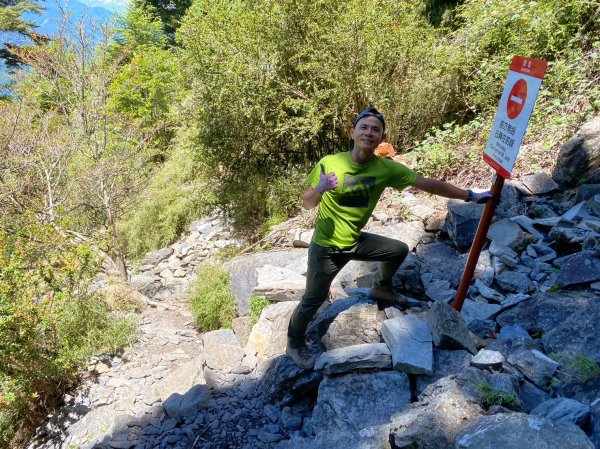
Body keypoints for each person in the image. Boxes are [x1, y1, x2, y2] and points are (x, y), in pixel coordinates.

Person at [286, 107, 493, 369]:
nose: (369, 132)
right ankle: (293, 343)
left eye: (375, 129)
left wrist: (470, 195)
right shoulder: (329, 163)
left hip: (355, 241)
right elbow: (307, 204)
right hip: (326, 248)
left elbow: (427, 183)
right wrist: (320, 188)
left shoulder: (386, 168)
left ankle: (381, 287)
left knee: (397, 249)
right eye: (364, 127)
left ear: (381, 137)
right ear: (353, 133)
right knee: (313, 299)